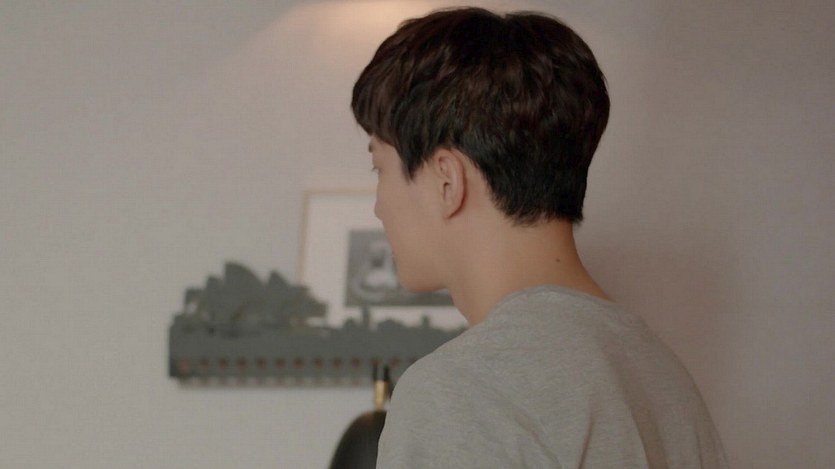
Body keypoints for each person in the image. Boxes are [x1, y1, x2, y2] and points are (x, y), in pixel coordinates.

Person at [351, 7, 727, 468]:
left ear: (447, 181)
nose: (378, 206)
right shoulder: (665, 381)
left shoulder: (458, 391)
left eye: (379, 168)